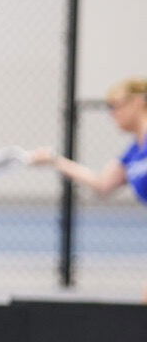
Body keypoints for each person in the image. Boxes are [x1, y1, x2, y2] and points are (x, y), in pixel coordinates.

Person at [29, 77, 147, 301]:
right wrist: (55, 161)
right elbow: (102, 184)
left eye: (116, 105)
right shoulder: (135, 150)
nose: (112, 113)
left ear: (139, 101)